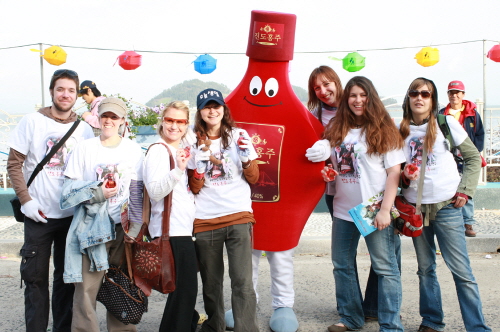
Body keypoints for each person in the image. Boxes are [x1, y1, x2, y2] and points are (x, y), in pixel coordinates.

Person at [307, 76, 405, 331]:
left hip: (373, 208)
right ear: (346, 99)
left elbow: (394, 172)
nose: (358, 100)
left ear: (370, 97)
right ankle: (351, 317)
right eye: (353, 96)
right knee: (342, 265)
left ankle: (391, 325)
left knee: (385, 268)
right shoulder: (336, 129)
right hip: (342, 209)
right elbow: (332, 164)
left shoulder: (385, 129)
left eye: (363, 95)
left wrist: (385, 210)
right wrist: (328, 173)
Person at [400, 77, 490, 332]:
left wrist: (466, 191)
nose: (419, 97)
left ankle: (477, 327)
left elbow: (473, 158)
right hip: (416, 209)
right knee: (425, 269)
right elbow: (394, 169)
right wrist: (405, 176)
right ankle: (431, 321)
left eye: (425, 94)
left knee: (461, 271)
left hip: (447, 207)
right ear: (408, 98)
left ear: (432, 99)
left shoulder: (446, 123)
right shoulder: (400, 129)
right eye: (414, 92)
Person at [7, 69, 94, 332]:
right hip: (39, 215)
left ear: (76, 95)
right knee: (34, 280)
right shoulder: (32, 121)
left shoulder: (84, 129)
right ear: (52, 92)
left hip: (71, 217)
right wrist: (26, 201)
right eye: (60, 89)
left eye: (70, 90)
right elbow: (14, 164)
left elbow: (92, 169)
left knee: (66, 280)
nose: (65, 94)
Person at [62, 97, 144, 332]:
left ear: (122, 121)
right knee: (86, 289)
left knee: (122, 285)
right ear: (98, 118)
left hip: (122, 227)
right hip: (91, 227)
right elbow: (68, 191)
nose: (108, 120)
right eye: (105, 115)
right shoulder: (85, 148)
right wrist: (98, 192)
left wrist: (135, 228)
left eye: (114, 117)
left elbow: (137, 191)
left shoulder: (133, 149)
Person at [187, 88, 260, 332]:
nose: (212, 110)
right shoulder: (192, 140)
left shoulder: (239, 135)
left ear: (223, 109)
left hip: (238, 216)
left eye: (216, 105)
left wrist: (247, 158)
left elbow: (254, 177)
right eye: (207, 106)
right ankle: (214, 326)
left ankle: (246, 328)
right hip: (206, 220)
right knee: (211, 283)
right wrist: (199, 166)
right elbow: (194, 188)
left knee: (242, 282)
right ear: (200, 112)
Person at [143, 101, 200, 332]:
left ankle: (186, 324)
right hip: (171, 230)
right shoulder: (158, 150)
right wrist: (178, 170)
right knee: (185, 291)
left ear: (187, 125)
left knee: (183, 291)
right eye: (170, 120)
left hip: (182, 228)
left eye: (180, 121)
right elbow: (155, 191)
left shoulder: (179, 149)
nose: (174, 125)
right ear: (162, 121)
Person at [438, 80, 485, 237]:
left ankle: (468, 222)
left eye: (457, 92)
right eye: (451, 92)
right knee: (451, 187)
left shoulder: (472, 114)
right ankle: (453, 221)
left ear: (463, 94)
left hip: (466, 155)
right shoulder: (442, 114)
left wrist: (475, 151)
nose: (454, 95)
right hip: (449, 157)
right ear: (448, 95)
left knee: (467, 187)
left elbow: (480, 134)